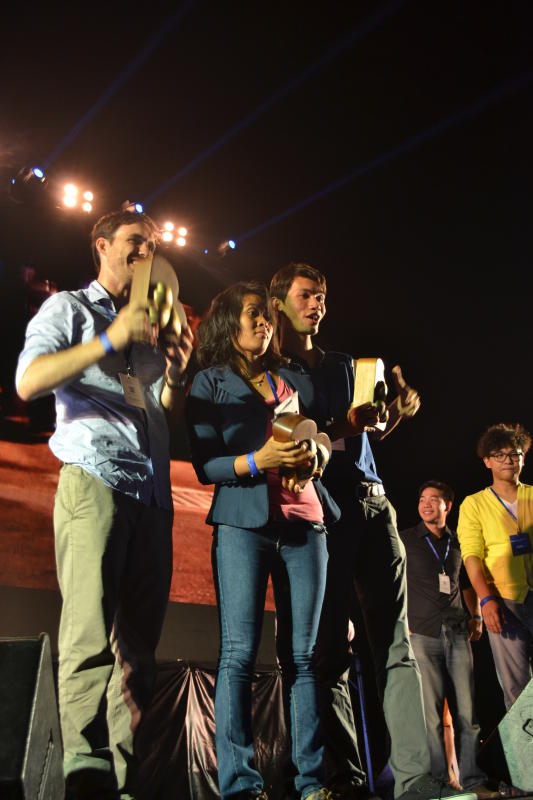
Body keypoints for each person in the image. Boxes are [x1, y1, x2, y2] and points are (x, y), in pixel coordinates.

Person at [270, 262, 476, 800]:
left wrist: (397, 413)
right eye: (307, 295)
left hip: (375, 503)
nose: (318, 304)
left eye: (322, 296)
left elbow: (373, 431)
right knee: (329, 649)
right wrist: (351, 424)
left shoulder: (346, 364)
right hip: (322, 508)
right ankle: (347, 782)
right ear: (279, 302)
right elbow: (302, 445)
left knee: (397, 646)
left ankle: (417, 781)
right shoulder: (274, 374)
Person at [15, 209, 194, 800]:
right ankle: (86, 780)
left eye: (153, 246)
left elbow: (160, 412)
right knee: (89, 639)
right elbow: (28, 381)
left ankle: (123, 782)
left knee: (137, 654)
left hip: (151, 495)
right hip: (93, 481)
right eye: (135, 243)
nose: (146, 253)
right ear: (102, 246)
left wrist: (177, 371)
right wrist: (108, 340)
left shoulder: (152, 330)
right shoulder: (70, 309)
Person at [186, 281, 338, 800]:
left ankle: (312, 782)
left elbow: (319, 437)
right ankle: (241, 785)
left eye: (265, 317)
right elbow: (205, 466)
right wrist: (260, 461)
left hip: (306, 524)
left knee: (303, 657)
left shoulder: (291, 377)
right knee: (238, 656)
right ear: (230, 323)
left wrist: (320, 455)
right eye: (252, 315)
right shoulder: (209, 383)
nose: (263, 323)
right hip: (242, 526)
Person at [399, 481, 496, 798]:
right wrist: (401, 623)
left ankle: (472, 779)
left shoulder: (459, 542)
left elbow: (465, 582)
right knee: (431, 716)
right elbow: (391, 583)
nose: (426, 504)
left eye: (434, 499)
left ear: (448, 506)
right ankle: (441, 782)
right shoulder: (406, 540)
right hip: (422, 633)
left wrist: (477, 615)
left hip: (457, 632)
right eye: (422, 499)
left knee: (467, 713)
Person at [457, 423, 533, 711]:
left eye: (514, 453)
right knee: (517, 690)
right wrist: (485, 599)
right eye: (499, 455)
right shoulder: (474, 504)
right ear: (487, 461)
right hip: (504, 603)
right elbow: (472, 557)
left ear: (523, 458)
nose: (508, 460)